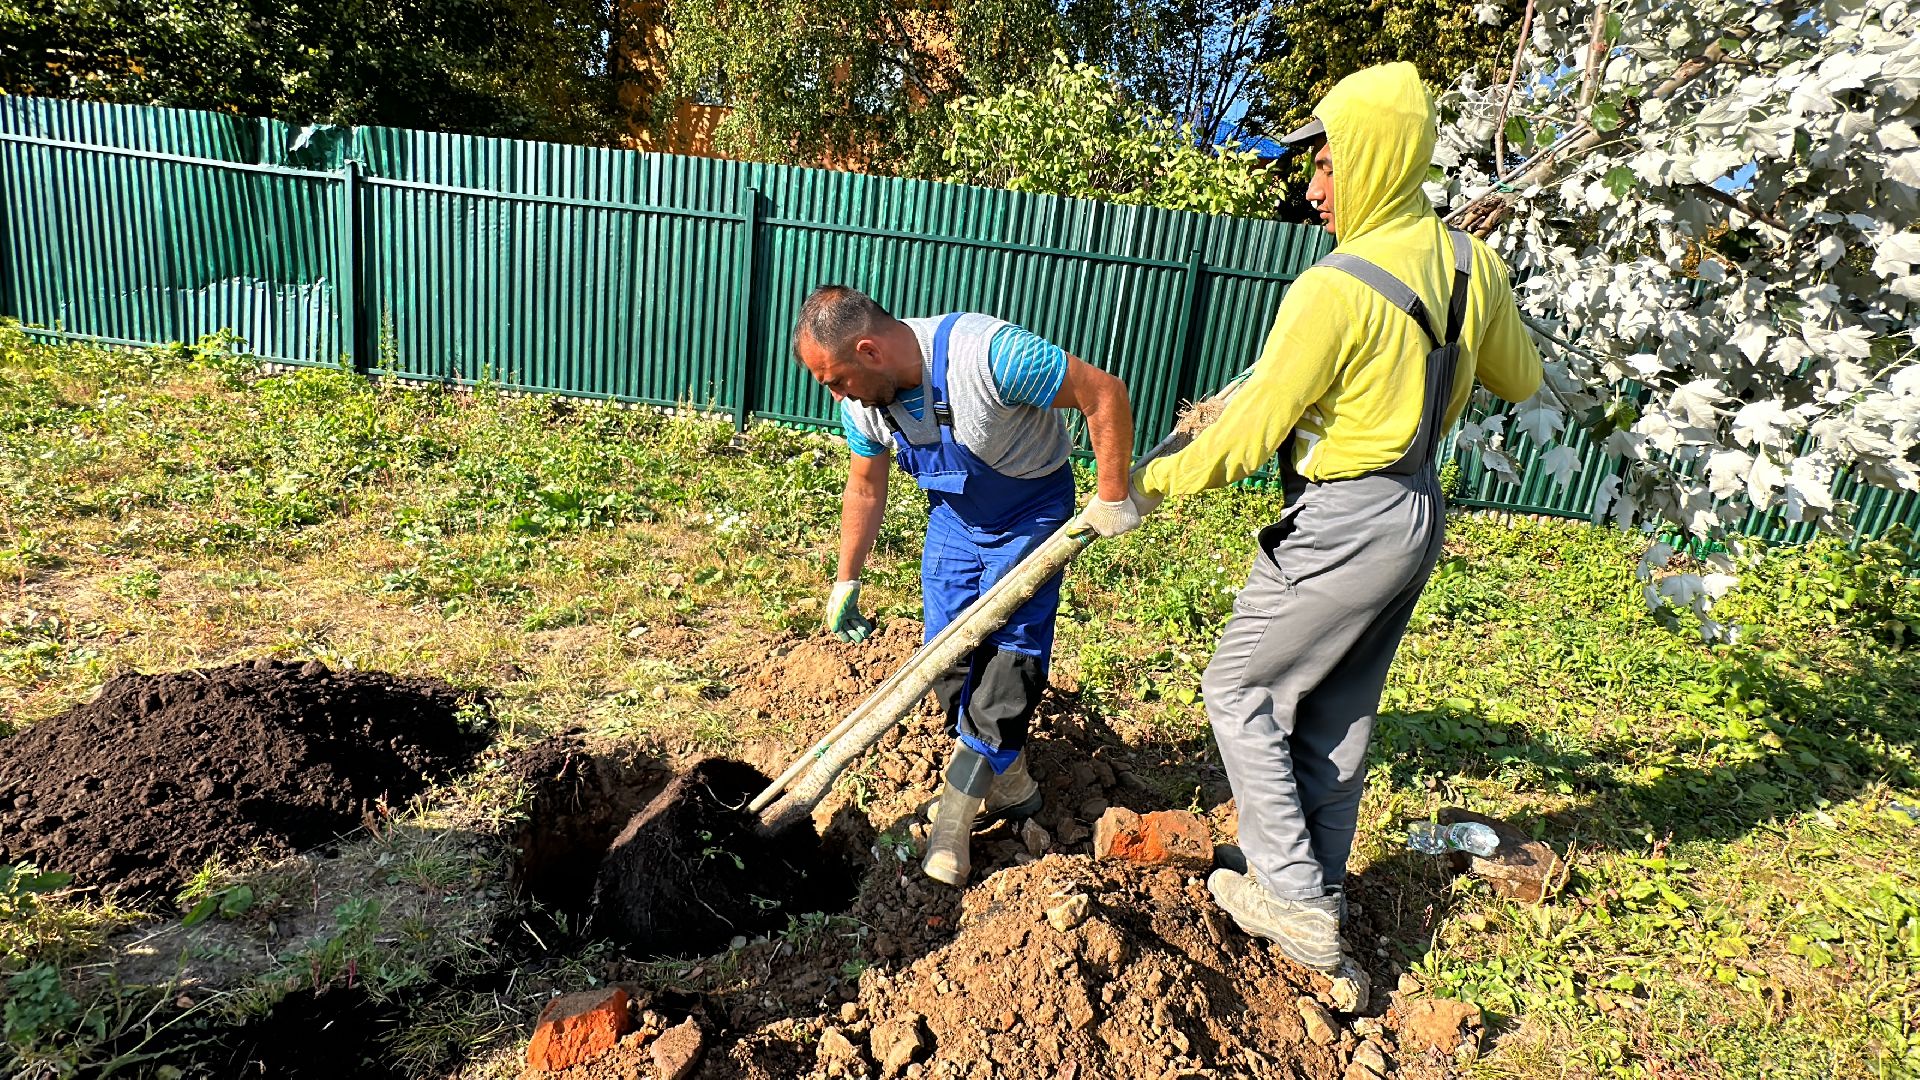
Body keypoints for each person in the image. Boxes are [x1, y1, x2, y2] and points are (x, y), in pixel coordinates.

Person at [1124, 63, 1544, 971]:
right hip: (1417, 512)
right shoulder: (1471, 263)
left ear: (1377, 161)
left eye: (1328, 165)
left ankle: (1293, 897)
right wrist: (1469, 291)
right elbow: (1521, 380)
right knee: (1336, 715)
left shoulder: (1334, 287)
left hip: (1343, 518)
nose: (1313, 190)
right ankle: (1316, 880)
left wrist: (1140, 492)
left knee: (1239, 691)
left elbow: (1246, 436)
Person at [792, 286, 1139, 886]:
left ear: (869, 350)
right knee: (944, 655)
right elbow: (866, 487)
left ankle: (956, 813)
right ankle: (1009, 781)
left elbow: (1102, 392)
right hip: (954, 519)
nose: (836, 394)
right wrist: (846, 578)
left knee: (1011, 659)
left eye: (836, 379)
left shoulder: (990, 356)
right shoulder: (865, 408)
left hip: (1030, 511)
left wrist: (1110, 498)